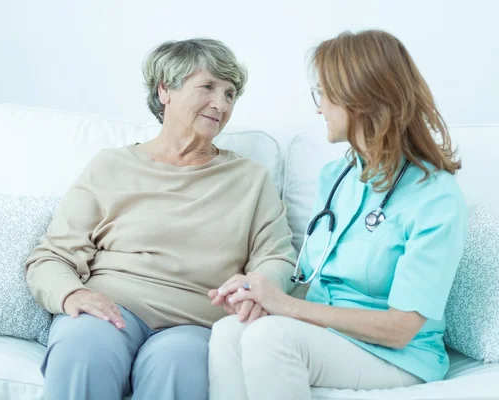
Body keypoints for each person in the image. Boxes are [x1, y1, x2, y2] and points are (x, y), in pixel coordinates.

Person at [24, 38, 296, 400]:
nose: (221, 103)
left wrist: (254, 289)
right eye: (208, 87)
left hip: (194, 323)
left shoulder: (250, 178)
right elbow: (51, 256)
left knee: (180, 365)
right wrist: (72, 293)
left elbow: (277, 256)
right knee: (83, 349)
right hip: (111, 308)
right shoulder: (112, 166)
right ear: (164, 89)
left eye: (230, 94)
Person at [208, 29, 468, 399]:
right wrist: (260, 292)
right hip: (328, 335)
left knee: (272, 338)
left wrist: (287, 308)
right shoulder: (338, 177)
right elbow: (309, 278)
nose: (319, 108)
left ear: (359, 98)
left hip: (398, 354)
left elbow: (401, 328)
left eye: (324, 95)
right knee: (227, 331)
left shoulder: (435, 198)